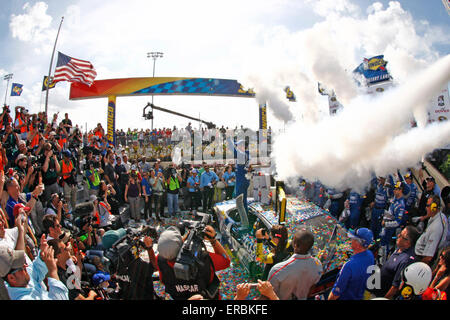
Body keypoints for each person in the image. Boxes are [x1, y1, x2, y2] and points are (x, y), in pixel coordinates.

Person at [156, 224, 230, 300]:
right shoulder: (203, 258)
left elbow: (163, 280)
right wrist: (213, 240)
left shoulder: (160, 259)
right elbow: (226, 261)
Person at [4, 234, 69, 300]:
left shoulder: (21, 280)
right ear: (11, 278)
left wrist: (42, 257)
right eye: (21, 267)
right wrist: (53, 272)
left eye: (23, 262)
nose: (25, 266)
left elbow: (35, 270)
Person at [267, 229, 323, 300]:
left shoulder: (277, 269)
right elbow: (312, 287)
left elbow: (268, 294)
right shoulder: (318, 265)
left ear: (295, 245)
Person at [372, 226, 419, 299]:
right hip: (375, 288)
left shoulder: (405, 260)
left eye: (401, 235)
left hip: (381, 295)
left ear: (407, 242)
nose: (398, 236)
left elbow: (395, 287)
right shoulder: (400, 248)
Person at [328, 228, 374, 300]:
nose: (350, 240)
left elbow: (335, 294)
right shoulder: (370, 255)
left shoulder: (349, 266)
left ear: (358, 244)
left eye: (353, 239)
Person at [414, 195, 448, 266]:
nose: (426, 208)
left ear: (434, 207)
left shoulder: (436, 228)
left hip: (421, 259)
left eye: (427, 205)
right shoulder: (441, 216)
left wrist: (419, 266)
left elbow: (428, 257)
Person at [380, 181, 407, 261]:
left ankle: (384, 263)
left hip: (391, 231)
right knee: (382, 245)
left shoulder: (401, 205)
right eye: (394, 189)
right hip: (385, 229)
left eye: (396, 189)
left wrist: (386, 224)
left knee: (386, 247)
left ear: (401, 190)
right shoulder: (395, 199)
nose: (394, 190)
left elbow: (397, 222)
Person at [369, 176, 389, 240]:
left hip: (381, 210)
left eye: (382, 178)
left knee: (379, 227)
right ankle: (371, 240)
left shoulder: (387, 189)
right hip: (375, 209)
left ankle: (377, 242)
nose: (380, 180)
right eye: (380, 178)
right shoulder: (378, 186)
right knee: (372, 226)